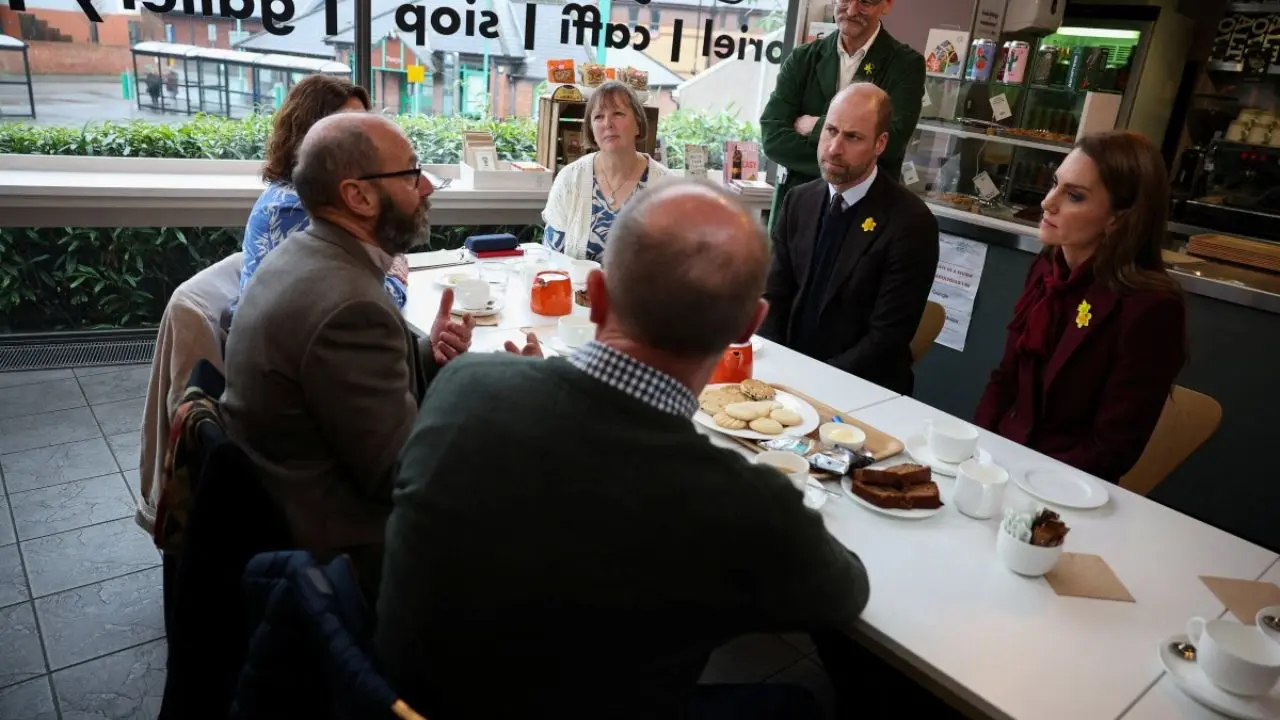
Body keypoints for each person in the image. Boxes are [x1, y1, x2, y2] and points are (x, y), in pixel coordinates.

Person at [377, 180, 871, 719]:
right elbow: (843, 595)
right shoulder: (740, 503)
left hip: (402, 699)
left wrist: (534, 391)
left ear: (599, 294)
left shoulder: (466, 385)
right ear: (747, 326)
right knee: (796, 704)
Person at [221, 112, 475, 597]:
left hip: (288, 499)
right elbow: (400, 475)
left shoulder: (302, 254)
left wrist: (424, 351)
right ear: (357, 196)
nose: (425, 188)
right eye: (411, 173)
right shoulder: (351, 303)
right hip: (347, 551)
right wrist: (492, 406)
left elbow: (335, 384)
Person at [974, 131, 1187, 483]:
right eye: (1054, 184)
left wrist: (1021, 475)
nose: (1047, 203)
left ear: (1117, 218)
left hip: (1065, 488)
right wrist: (977, 450)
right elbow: (1005, 378)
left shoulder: (1150, 309)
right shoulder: (1047, 268)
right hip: (1001, 463)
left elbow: (1111, 449)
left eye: (1073, 196)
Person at [761, 83, 939, 396]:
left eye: (852, 137)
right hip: (786, 380)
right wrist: (776, 369)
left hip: (860, 392)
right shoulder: (798, 201)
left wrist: (810, 383)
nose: (833, 148)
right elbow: (773, 296)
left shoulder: (911, 222)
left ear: (880, 143)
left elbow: (886, 339)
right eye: (830, 130)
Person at [233, 75, 410, 318]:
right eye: (351, 131)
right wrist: (396, 275)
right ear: (310, 136)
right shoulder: (296, 209)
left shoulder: (314, 193)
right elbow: (370, 305)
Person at [760, 0, 924, 225]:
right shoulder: (802, 59)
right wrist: (853, 158)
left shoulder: (905, 65)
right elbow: (773, 138)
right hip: (799, 210)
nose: (852, 9)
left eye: (865, 2)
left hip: (865, 213)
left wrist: (818, 127)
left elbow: (891, 143)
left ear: (886, 5)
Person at [542, 80, 672, 261]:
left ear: (638, 124)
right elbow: (551, 259)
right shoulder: (570, 178)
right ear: (591, 129)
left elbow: (678, 266)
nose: (607, 124)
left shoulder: (667, 187)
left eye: (618, 114)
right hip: (577, 288)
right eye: (598, 117)